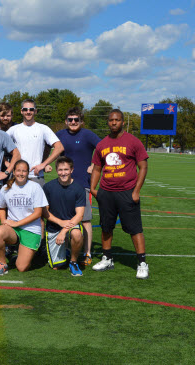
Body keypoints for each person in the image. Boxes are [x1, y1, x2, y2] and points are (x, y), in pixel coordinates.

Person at [90, 109, 150, 279]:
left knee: (134, 228)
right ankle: (107, 258)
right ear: (108, 122)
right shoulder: (102, 144)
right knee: (106, 227)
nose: (114, 123)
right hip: (106, 192)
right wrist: (94, 189)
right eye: (111, 120)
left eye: (117, 120)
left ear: (123, 122)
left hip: (127, 192)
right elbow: (96, 168)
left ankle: (142, 263)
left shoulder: (133, 141)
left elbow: (143, 167)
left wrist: (136, 191)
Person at [55, 107, 101, 266]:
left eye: (76, 119)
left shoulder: (88, 134)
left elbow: (102, 148)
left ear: (81, 121)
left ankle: (87, 253)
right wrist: (45, 163)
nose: (73, 122)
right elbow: (48, 147)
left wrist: (94, 164)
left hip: (83, 184)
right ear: (66, 121)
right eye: (70, 119)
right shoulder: (60, 134)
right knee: (65, 218)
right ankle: (66, 249)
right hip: (63, 184)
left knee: (85, 220)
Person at [0, 160, 49, 276]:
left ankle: (23, 255)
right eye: (18, 170)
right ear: (13, 171)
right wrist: (3, 221)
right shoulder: (6, 188)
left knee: (22, 267)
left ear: (28, 173)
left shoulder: (35, 187)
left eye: (24, 171)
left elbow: (38, 213)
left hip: (31, 229)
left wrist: (17, 224)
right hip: (13, 229)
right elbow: (1, 207)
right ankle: (2, 264)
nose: (21, 174)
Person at [42, 156, 85, 276]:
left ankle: (73, 262)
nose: (63, 173)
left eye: (66, 169)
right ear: (56, 170)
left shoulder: (79, 188)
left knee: (76, 234)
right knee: (57, 267)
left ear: (71, 170)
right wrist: (60, 223)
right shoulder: (48, 187)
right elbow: (45, 212)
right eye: (60, 170)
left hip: (71, 224)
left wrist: (64, 231)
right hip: (54, 226)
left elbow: (79, 215)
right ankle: (65, 251)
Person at [6, 99, 64, 187]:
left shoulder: (43, 128)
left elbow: (59, 147)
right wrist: (7, 163)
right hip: (18, 176)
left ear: (35, 111)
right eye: (25, 109)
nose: (28, 112)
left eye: (31, 109)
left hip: (37, 177)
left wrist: (43, 164)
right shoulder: (14, 129)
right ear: (21, 111)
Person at [0, 102, 16, 184]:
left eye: (8, 116)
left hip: (13, 161)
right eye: (2, 116)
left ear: (12, 116)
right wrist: (5, 161)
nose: (5, 118)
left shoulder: (17, 128)